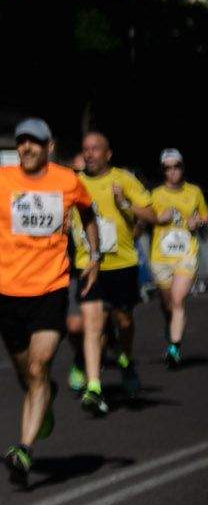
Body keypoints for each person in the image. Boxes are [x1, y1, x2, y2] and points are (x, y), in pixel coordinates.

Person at [0, 118, 100, 486]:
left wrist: (94, 254)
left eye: (35, 142)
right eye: (21, 142)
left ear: (49, 147)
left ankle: (24, 448)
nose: (26, 148)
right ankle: (44, 396)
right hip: (6, 293)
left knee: (37, 367)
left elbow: (88, 213)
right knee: (26, 372)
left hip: (50, 288)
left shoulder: (67, 181)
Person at [70, 130, 154, 408]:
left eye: (96, 149)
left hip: (122, 264)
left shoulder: (123, 180)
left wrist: (124, 204)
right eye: (86, 149)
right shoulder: (74, 184)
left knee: (123, 321)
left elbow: (152, 215)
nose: (90, 153)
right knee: (92, 325)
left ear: (108, 154)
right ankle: (94, 385)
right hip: (88, 264)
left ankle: (125, 359)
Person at [149, 148, 207, 368]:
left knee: (177, 299)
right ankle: (172, 330)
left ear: (182, 168)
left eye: (176, 166)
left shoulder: (194, 192)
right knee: (168, 306)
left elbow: (204, 214)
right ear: (163, 170)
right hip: (161, 256)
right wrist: (157, 218)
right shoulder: (155, 195)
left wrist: (198, 222)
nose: (172, 171)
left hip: (186, 254)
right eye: (167, 167)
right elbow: (144, 218)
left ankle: (174, 348)